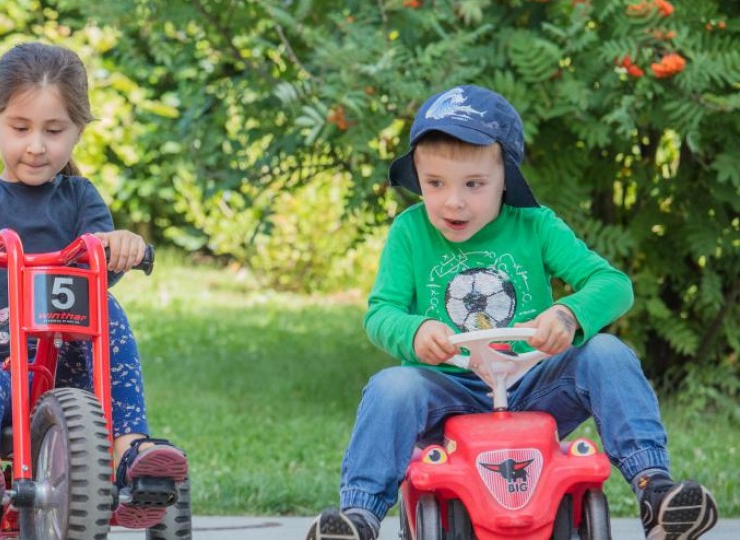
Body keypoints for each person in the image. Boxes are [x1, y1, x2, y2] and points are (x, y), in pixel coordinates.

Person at [305, 85, 718, 540]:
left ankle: (655, 491)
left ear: (507, 178)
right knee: (392, 386)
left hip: (533, 384)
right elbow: (380, 313)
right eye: (435, 184)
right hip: (449, 391)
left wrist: (569, 315)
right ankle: (359, 516)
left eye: (473, 184)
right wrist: (415, 329)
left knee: (606, 353)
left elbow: (614, 285)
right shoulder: (409, 232)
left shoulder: (535, 224)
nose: (453, 202)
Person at [0, 42, 189, 539]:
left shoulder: (80, 197)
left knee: (104, 307)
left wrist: (119, 245)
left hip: (63, 363)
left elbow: (100, 254)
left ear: (78, 131)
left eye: (54, 130)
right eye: (20, 128)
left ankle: (132, 452)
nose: (36, 146)